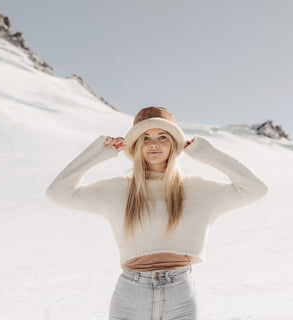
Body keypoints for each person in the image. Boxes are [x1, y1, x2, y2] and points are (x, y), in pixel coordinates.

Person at [46, 106, 269, 319]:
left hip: (179, 294)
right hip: (130, 295)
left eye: (163, 136)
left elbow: (256, 189)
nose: (154, 144)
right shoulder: (118, 190)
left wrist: (208, 154)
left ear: (174, 143)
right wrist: (96, 154)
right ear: (136, 146)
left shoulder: (198, 189)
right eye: (145, 138)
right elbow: (57, 193)